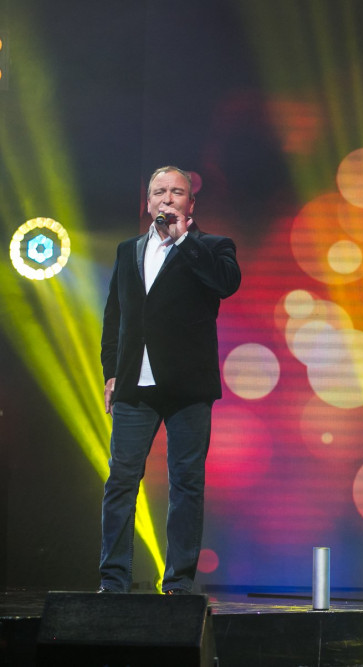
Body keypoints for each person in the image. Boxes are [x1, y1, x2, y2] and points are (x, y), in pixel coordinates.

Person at [98, 166, 241, 594]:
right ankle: (113, 581)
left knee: (186, 484)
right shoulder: (128, 250)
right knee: (121, 481)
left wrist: (183, 240)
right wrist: (112, 372)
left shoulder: (212, 246)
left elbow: (226, 284)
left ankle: (178, 583)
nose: (167, 198)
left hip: (187, 387)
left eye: (177, 192)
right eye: (159, 191)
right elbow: (115, 317)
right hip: (133, 385)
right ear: (147, 203)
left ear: (190, 203)